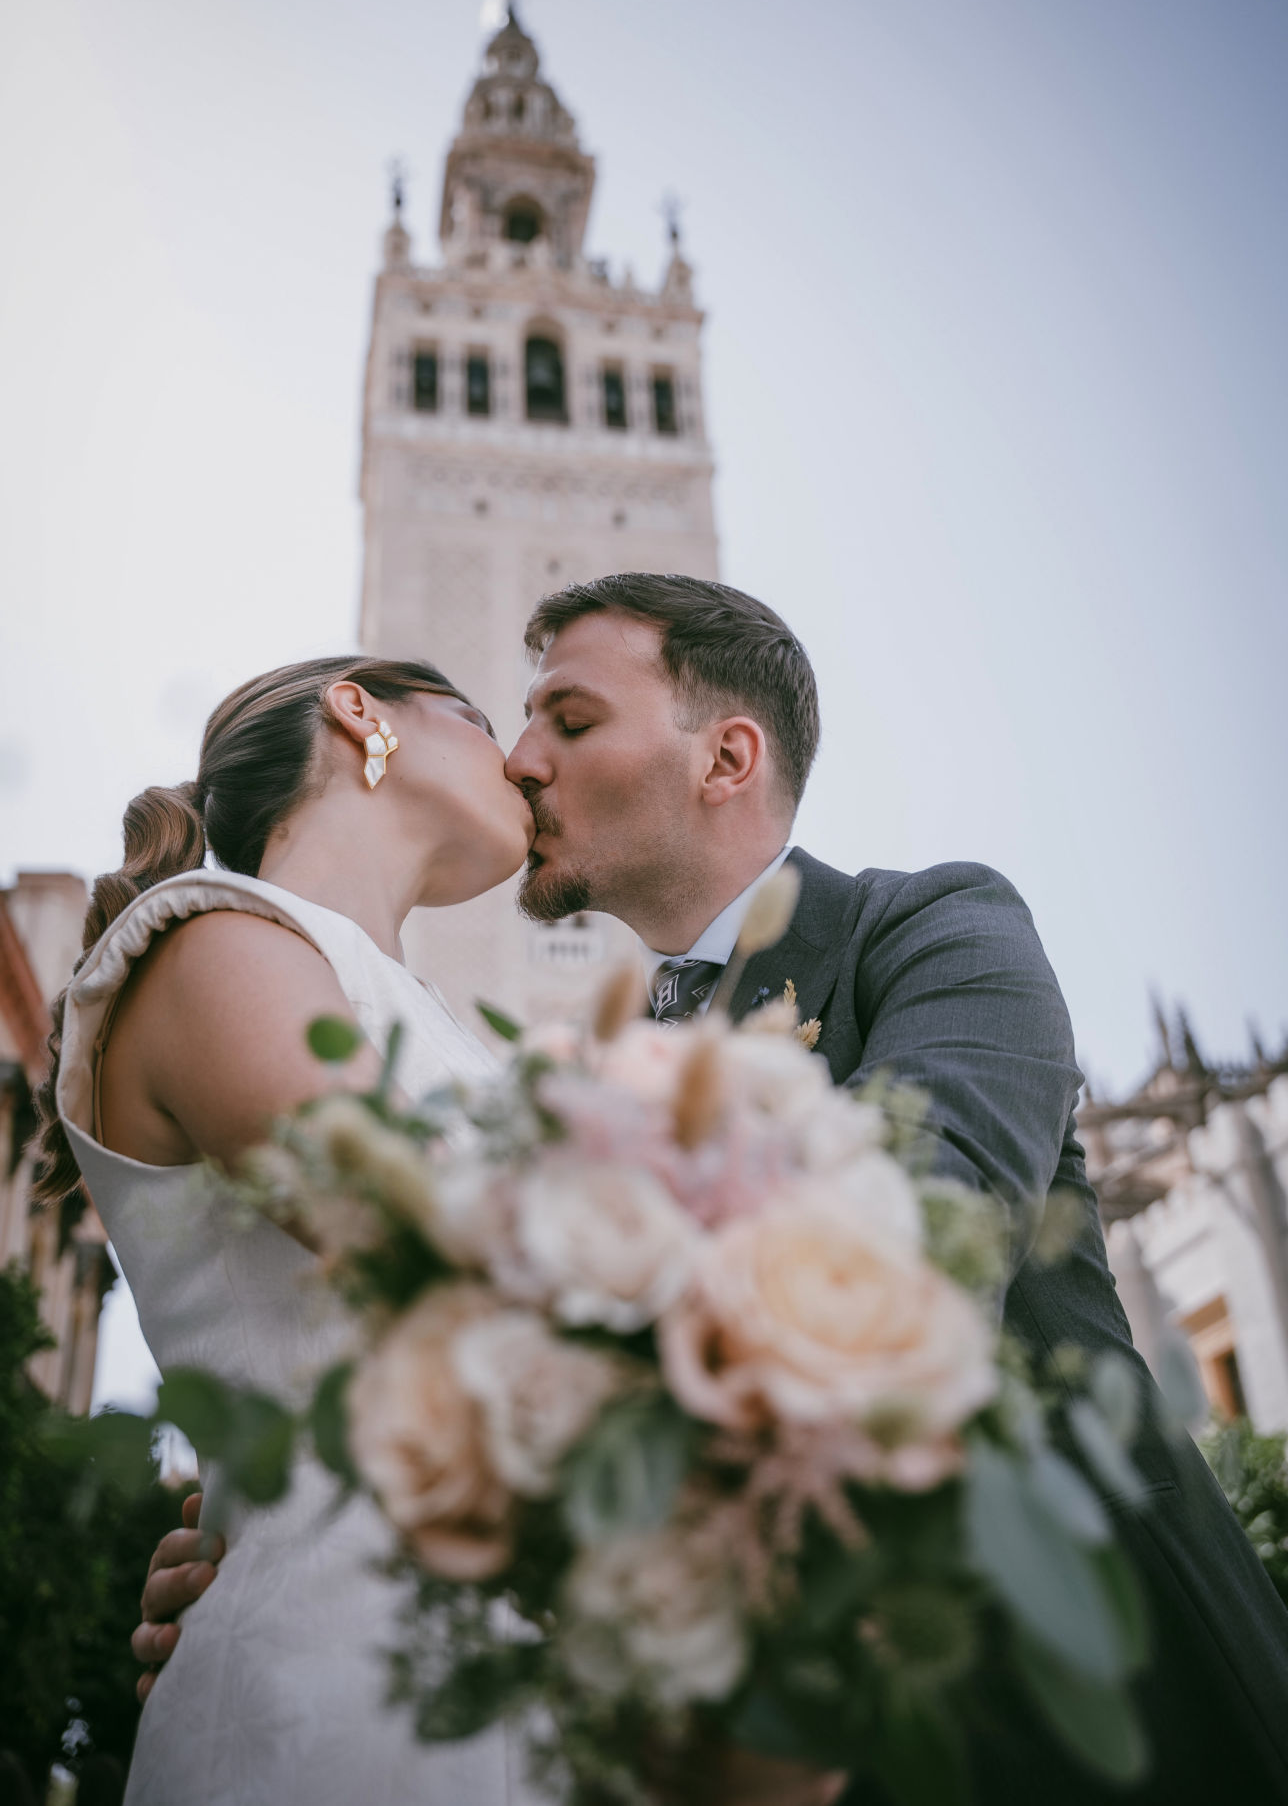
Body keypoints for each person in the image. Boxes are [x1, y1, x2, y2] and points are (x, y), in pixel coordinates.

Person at [133, 577, 1288, 1803]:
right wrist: (311, 1528)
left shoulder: (931, 929)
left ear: (726, 756)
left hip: (1092, 1710)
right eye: (513, 724)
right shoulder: (579, 1080)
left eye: (568, 723)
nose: (523, 762)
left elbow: (922, 1244)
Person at [33, 657, 545, 1806]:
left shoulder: (450, 1033)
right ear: (360, 709)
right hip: (346, 1681)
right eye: (483, 718)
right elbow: (438, 1245)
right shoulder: (214, 945)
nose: (522, 756)